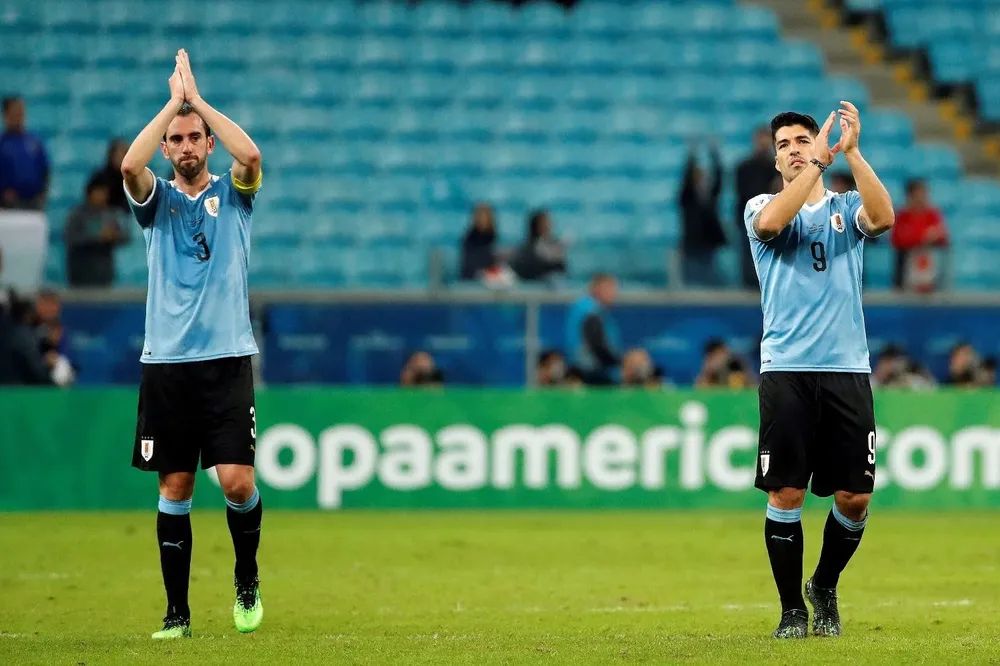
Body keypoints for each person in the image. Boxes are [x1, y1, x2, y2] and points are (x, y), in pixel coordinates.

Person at [120, 49, 264, 640]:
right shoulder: (156, 204)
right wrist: (171, 104)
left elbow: (251, 155)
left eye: (193, 138)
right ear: (167, 148)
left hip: (226, 359)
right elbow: (129, 166)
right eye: (175, 139)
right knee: (174, 486)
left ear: (208, 145)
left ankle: (247, 581)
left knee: (236, 482)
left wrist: (197, 100)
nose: (183, 145)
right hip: (167, 364)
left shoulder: (234, 195)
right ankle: (176, 614)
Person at [743, 105, 894, 639]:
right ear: (775, 155)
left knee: (855, 498)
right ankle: (791, 611)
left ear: (817, 145)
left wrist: (850, 153)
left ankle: (824, 584)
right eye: (782, 143)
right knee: (786, 493)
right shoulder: (761, 205)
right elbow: (771, 225)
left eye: (801, 139)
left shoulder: (846, 208)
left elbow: (883, 219)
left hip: (847, 370)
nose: (792, 148)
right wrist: (816, 163)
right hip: (786, 370)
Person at [64, 178, 129, 286]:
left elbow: (125, 237)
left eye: (104, 193)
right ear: (90, 193)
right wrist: (97, 237)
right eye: (98, 193)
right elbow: (71, 238)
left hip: (104, 274)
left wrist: (114, 236)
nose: (102, 197)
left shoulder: (110, 214)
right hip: (81, 271)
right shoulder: (77, 215)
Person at [0, 96, 49, 210]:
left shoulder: (35, 143)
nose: (19, 116)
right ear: (5, 115)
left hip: (33, 205)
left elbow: (45, 173)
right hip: (6, 208)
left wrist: (41, 198)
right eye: (15, 112)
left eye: (21, 112)